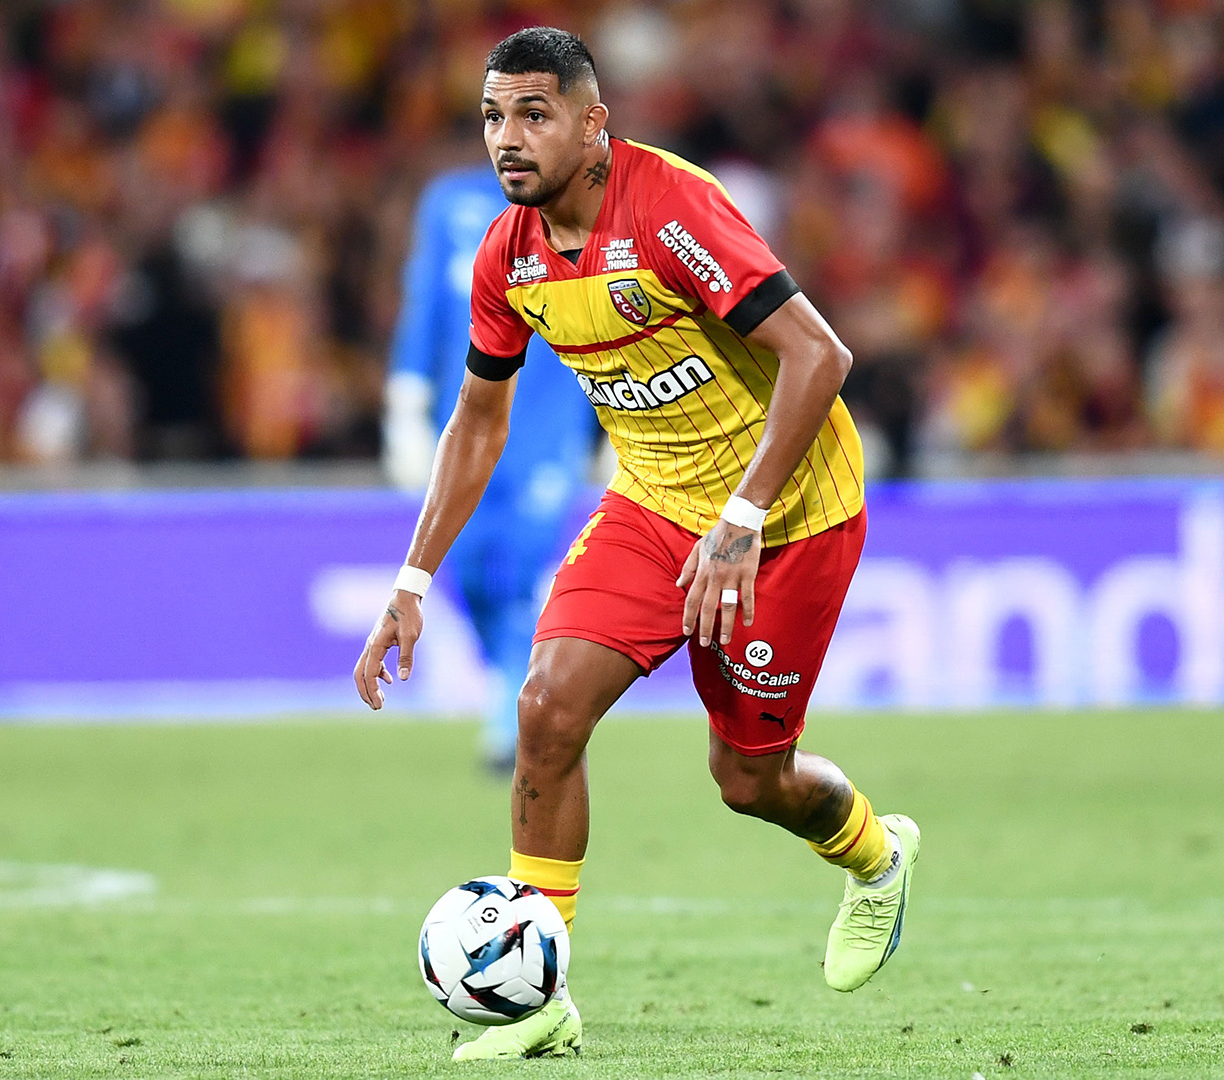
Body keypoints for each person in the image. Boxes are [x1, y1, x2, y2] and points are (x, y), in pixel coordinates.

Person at [353, 27, 920, 1061]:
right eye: (492, 117)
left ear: (593, 123)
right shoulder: (508, 254)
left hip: (787, 515)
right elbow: (479, 418)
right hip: (655, 507)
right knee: (545, 709)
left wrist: (744, 522)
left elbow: (818, 355)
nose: (507, 139)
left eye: (534, 114)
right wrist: (413, 576)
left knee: (750, 781)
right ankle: (537, 999)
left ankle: (877, 858)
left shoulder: (669, 210)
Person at [384, 157, 599, 773]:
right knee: (472, 571)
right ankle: (511, 683)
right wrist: (405, 399)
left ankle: (511, 716)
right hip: (467, 416)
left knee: (525, 565)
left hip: (548, 420)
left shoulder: (577, 205)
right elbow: (425, 305)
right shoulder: (448, 205)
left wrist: (612, 423)